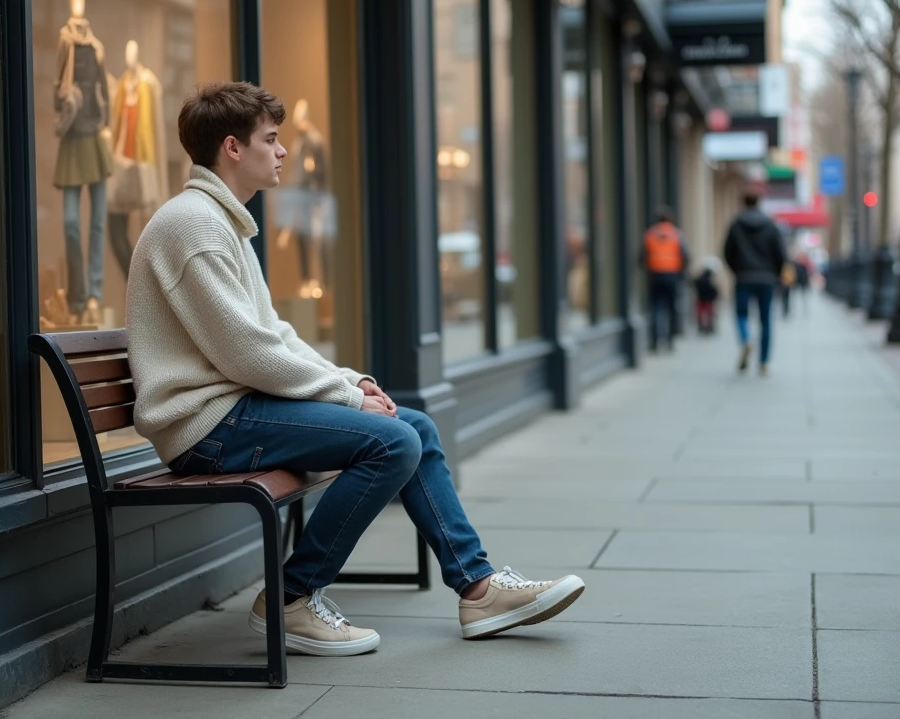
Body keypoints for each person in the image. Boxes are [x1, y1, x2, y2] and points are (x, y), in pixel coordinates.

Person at [126, 82, 585, 657]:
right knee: (391, 442)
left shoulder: (222, 223)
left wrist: (351, 381)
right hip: (208, 428)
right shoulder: (193, 225)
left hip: (235, 411)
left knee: (414, 427)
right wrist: (345, 399)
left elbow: (274, 336)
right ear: (232, 148)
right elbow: (246, 352)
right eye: (271, 139)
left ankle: (479, 588)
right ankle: (292, 596)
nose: (283, 151)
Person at [723, 190, 786, 375]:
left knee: (741, 314)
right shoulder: (770, 225)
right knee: (766, 320)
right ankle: (764, 362)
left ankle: (746, 340)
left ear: (743, 202)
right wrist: (776, 273)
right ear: (759, 202)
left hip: (743, 277)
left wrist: (737, 270)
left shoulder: (736, 224)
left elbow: (727, 252)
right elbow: (780, 254)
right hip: (767, 279)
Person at [640, 207, 688, 351]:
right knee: (671, 308)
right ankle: (670, 340)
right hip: (672, 275)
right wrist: (682, 275)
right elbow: (685, 256)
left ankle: (655, 340)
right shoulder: (676, 234)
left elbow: (642, 256)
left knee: (655, 308)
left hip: (655, 275)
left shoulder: (650, 234)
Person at [692, 258, 720, 335]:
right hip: (707, 299)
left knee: (702, 314)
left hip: (701, 298)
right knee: (708, 314)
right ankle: (708, 327)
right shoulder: (709, 278)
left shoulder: (701, 277)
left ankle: (703, 327)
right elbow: (714, 289)